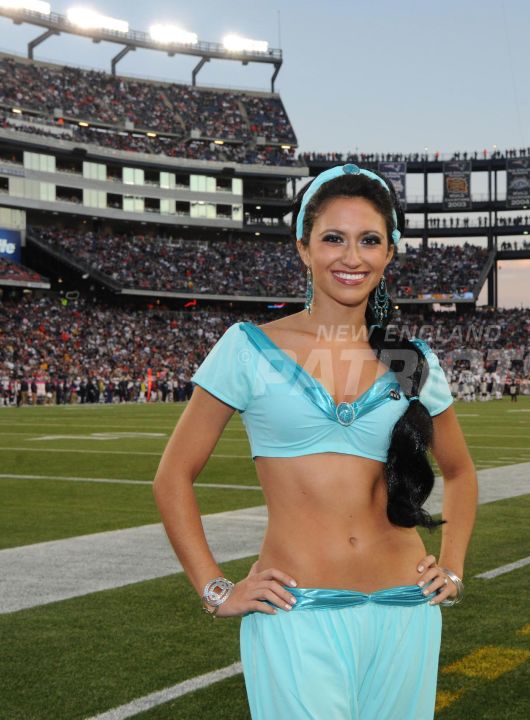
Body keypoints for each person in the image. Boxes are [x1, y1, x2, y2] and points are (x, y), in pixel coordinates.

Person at [153, 164, 479, 719]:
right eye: (333, 238)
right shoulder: (248, 348)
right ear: (304, 248)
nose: (351, 257)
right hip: (295, 610)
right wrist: (214, 589)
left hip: (406, 607)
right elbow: (172, 476)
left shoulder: (410, 361)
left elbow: (460, 471)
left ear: (390, 252)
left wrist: (451, 567)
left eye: (369, 240)